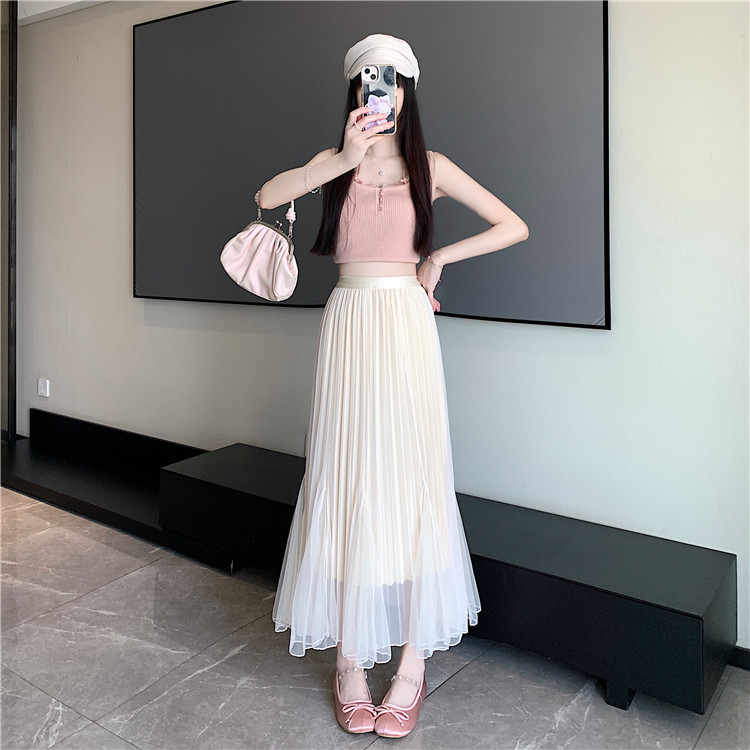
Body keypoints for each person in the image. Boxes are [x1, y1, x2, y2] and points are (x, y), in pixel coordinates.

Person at [262, 33, 529, 738]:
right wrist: (343, 158)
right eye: (366, 82)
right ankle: (349, 660)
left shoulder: (430, 167)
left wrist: (438, 258)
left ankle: (412, 664)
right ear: (355, 93)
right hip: (349, 321)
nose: (377, 93)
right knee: (346, 474)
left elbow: (513, 225)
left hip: (406, 323)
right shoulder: (335, 162)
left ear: (406, 92)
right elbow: (266, 196)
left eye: (390, 82)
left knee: (412, 480)